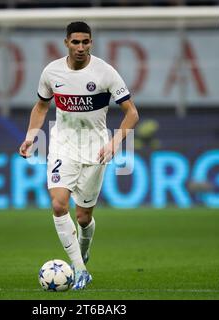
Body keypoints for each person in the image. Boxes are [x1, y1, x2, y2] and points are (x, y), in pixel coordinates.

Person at [18, 21, 139, 290]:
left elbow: (132, 112)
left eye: (86, 42)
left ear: (91, 43)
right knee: (59, 204)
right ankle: (80, 269)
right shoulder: (52, 72)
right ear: (66, 43)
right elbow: (41, 106)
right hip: (63, 145)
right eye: (76, 42)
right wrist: (30, 136)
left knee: (83, 217)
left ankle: (82, 252)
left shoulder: (105, 72)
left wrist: (116, 142)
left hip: (96, 149)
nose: (81, 47)